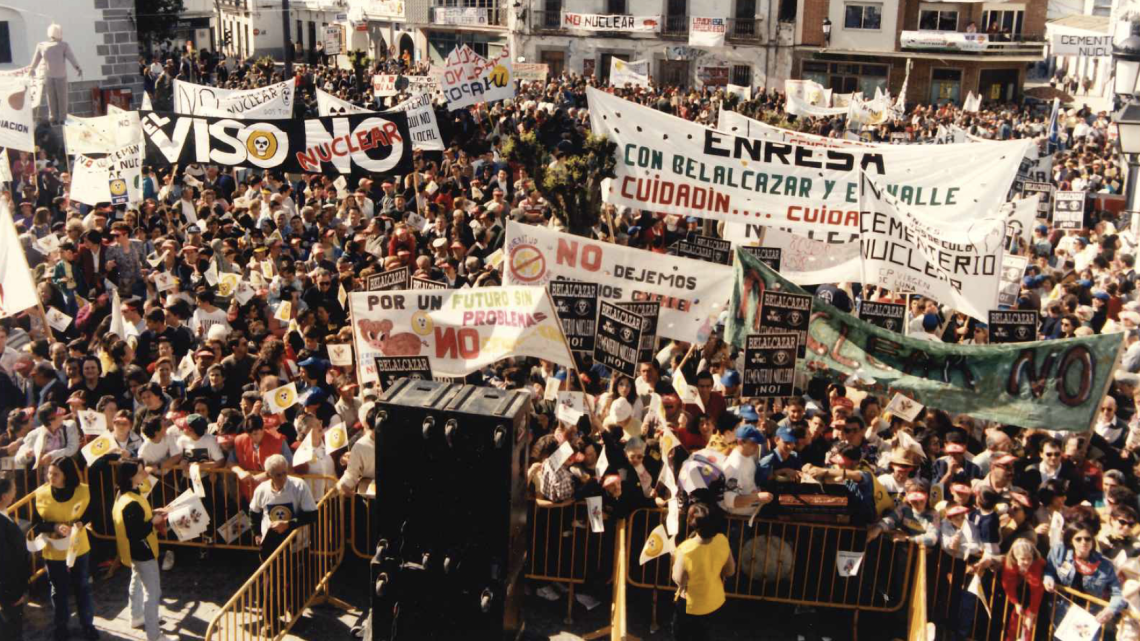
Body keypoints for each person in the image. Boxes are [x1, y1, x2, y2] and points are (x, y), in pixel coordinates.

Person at [35, 457, 98, 641]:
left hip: (79, 548)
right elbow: (36, 524)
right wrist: (55, 527)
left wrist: (79, 523)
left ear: (67, 475)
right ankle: (61, 627)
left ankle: (87, 625)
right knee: (59, 590)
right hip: (54, 550)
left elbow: (92, 512)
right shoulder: (42, 493)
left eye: (55, 474)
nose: (50, 477)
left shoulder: (83, 491)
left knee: (83, 587)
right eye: (49, 473)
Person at [112, 460, 175, 641]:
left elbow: (137, 518)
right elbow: (138, 530)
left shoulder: (123, 495)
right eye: (140, 472)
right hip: (143, 551)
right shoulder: (131, 501)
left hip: (131, 551)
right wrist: (154, 521)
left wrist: (155, 512)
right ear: (131, 477)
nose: (144, 474)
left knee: (137, 581)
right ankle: (154, 635)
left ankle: (136, 616)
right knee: (152, 592)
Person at [1045, 517, 1126, 634]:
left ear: (1093, 541)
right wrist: (1048, 579)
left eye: (1087, 539)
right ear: (1070, 540)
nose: (1084, 542)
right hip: (1061, 611)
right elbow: (1049, 570)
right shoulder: (1059, 551)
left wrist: (1110, 610)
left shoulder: (1105, 564)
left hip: (1089, 617)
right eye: (1078, 539)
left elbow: (1118, 593)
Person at [672, 503, 734, 641]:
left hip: (690, 605)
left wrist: (674, 559)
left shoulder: (685, 549)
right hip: (713, 601)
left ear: (690, 522)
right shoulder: (722, 540)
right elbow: (730, 571)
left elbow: (679, 580)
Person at [0, 475, 30, 640]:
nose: (15, 493)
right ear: (4, 497)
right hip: (9, 591)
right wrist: (14, 594)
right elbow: (5, 562)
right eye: (13, 490)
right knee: (11, 631)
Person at [1001, 538, 1045, 641]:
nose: (1026, 562)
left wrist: (1032, 612)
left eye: (1029, 558)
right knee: (1013, 622)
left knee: (1030, 625)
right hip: (1019, 589)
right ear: (1015, 557)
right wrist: (1015, 603)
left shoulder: (1036, 563)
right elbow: (1008, 584)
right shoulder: (1010, 562)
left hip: (1037, 593)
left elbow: (1037, 590)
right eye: (1023, 559)